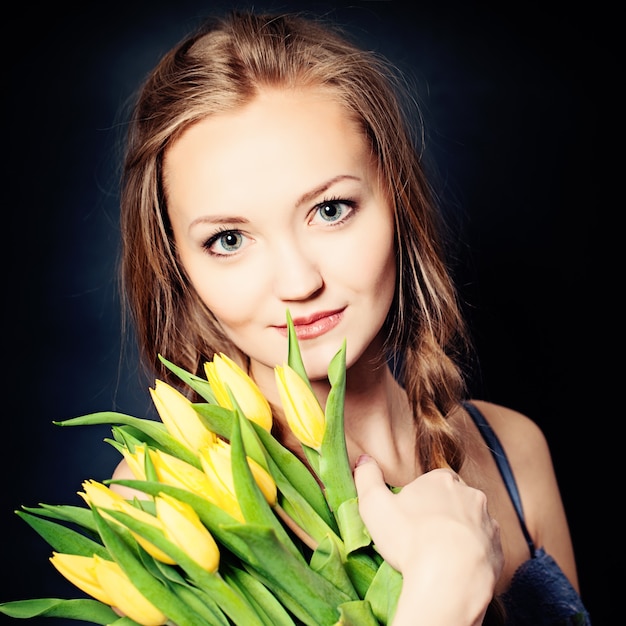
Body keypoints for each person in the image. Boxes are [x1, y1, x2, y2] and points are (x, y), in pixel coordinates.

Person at [109, 9, 590, 625]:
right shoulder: (163, 499)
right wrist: (443, 592)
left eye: (331, 209)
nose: (299, 281)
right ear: (177, 263)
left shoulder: (513, 450)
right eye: (229, 239)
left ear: (396, 202)